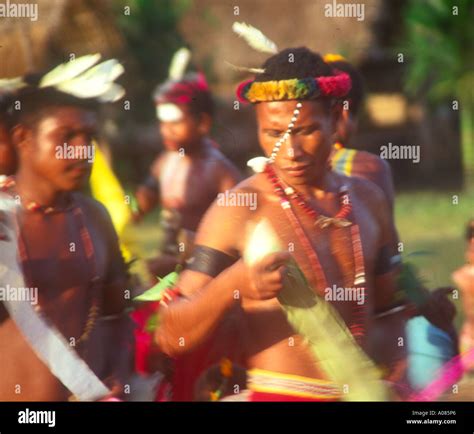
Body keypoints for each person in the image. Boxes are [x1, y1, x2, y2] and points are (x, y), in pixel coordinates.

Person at [155, 40, 400, 401]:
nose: (290, 151)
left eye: (304, 131)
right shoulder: (240, 208)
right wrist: (235, 282)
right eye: (273, 134)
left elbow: (390, 309)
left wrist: (402, 375)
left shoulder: (368, 200)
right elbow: (170, 335)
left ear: (335, 119)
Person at [0, 55, 131, 401]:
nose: (83, 151)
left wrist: (118, 373)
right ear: (24, 139)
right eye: (67, 137)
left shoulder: (95, 218)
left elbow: (118, 315)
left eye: (89, 137)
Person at [135, 49, 241, 277]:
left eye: (175, 122)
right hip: (166, 272)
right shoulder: (164, 162)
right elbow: (138, 207)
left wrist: (184, 261)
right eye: (162, 123)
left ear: (203, 122)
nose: (166, 130)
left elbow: (238, 237)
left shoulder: (220, 172)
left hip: (206, 277)